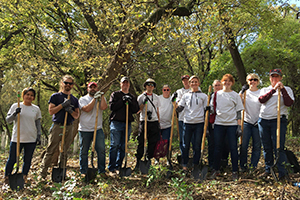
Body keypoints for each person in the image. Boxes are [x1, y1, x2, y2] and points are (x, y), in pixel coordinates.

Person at [40, 75, 79, 179]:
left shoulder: (74, 100)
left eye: (70, 84)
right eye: (66, 83)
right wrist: (62, 105)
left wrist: (70, 110)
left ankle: (62, 173)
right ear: (62, 83)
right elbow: (51, 111)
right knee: (51, 149)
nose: (68, 85)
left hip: (69, 126)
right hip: (57, 126)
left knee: (64, 150)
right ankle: (42, 173)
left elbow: (76, 115)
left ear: (72, 85)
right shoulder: (55, 96)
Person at [258, 69, 294, 181]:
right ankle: (268, 169)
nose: (275, 79)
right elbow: (262, 100)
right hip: (264, 120)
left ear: (281, 78)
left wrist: (282, 89)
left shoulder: (287, 89)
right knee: (266, 146)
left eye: (277, 77)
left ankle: (282, 173)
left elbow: (289, 103)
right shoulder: (265, 89)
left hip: (278, 120)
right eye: (272, 77)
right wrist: (273, 90)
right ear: (269, 78)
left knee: (278, 147)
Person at [210, 74, 244, 181]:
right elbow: (212, 108)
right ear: (222, 82)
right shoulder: (216, 94)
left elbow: (239, 112)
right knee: (217, 147)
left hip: (232, 124)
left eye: (229, 81)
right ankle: (216, 170)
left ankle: (234, 171)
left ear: (232, 83)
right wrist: (209, 110)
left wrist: (239, 126)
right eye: (225, 81)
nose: (227, 83)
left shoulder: (235, 95)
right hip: (219, 123)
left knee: (233, 148)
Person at [5, 88, 42, 184]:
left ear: (33, 97)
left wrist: (39, 135)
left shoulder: (36, 109)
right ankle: (7, 176)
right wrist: (15, 113)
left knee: (27, 159)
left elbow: (38, 123)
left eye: (31, 95)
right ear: (23, 95)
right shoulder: (15, 105)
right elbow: (8, 120)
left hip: (31, 138)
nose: (29, 97)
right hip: (17, 138)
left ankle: (24, 176)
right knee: (12, 159)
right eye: (27, 94)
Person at [176, 75, 207, 172]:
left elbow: (206, 110)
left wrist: (209, 109)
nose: (194, 83)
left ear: (199, 83)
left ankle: (196, 164)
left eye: (195, 82)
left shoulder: (204, 96)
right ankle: (185, 165)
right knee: (185, 145)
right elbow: (179, 109)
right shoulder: (185, 96)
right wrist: (174, 102)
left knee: (197, 145)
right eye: (192, 82)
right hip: (187, 123)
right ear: (189, 84)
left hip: (199, 123)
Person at [108, 77, 139, 173]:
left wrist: (130, 102)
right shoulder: (115, 94)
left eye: (127, 83)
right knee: (115, 145)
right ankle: (111, 167)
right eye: (123, 82)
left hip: (127, 123)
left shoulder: (132, 97)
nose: (125, 84)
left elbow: (136, 110)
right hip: (116, 122)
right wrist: (122, 100)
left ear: (129, 84)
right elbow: (112, 107)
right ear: (120, 84)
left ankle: (119, 166)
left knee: (123, 146)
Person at [78, 82, 107, 177]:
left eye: (95, 88)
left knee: (101, 150)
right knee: (84, 151)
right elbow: (87, 109)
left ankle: (101, 171)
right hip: (84, 129)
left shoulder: (101, 98)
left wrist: (101, 97)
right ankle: (84, 171)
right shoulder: (83, 99)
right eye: (91, 87)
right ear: (88, 89)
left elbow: (104, 107)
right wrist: (95, 99)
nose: (93, 89)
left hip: (97, 129)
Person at [134, 78, 161, 170]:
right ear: (145, 86)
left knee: (153, 142)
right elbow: (138, 110)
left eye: (152, 85)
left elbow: (157, 110)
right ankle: (138, 160)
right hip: (144, 121)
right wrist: (143, 103)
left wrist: (158, 121)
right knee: (141, 141)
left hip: (154, 122)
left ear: (154, 87)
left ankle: (148, 160)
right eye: (148, 84)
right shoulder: (141, 97)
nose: (150, 86)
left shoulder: (157, 97)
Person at [239, 74, 261, 171]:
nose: (253, 81)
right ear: (248, 81)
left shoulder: (261, 92)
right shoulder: (244, 93)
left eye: (255, 80)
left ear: (258, 81)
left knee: (257, 146)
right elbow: (237, 101)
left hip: (258, 122)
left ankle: (253, 166)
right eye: (250, 80)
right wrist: (242, 90)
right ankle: (243, 166)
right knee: (244, 145)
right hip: (246, 122)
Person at [207, 80, 223, 169]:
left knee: (221, 144)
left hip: (222, 122)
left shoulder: (224, 95)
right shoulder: (210, 96)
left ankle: (220, 162)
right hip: (212, 123)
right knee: (211, 144)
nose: (217, 87)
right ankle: (211, 163)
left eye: (219, 85)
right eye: (216, 85)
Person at [176, 75, 190, 157]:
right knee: (182, 139)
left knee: (192, 140)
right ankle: (184, 156)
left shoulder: (196, 89)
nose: (185, 82)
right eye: (184, 80)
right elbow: (178, 103)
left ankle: (192, 158)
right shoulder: (179, 91)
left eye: (187, 80)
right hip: (181, 118)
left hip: (192, 119)